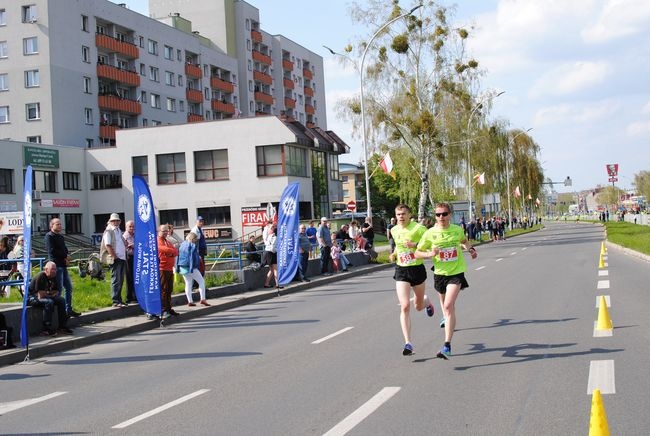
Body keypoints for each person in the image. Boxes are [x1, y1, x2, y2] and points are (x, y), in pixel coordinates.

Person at [415, 202, 478, 359]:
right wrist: (430, 254)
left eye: (444, 214)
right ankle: (446, 318)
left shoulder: (457, 230)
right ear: (435, 217)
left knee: (449, 306)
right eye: (438, 214)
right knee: (446, 307)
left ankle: (447, 345)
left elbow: (464, 241)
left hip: (456, 272)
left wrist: (470, 249)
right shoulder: (430, 233)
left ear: (450, 215)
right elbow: (417, 253)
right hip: (439, 274)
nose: (441, 217)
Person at [388, 204, 434, 356]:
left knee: (418, 306)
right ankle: (408, 343)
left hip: (417, 269)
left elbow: (430, 246)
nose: (401, 217)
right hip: (401, 269)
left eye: (403, 214)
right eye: (398, 214)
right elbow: (398, 247)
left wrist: (414, 245)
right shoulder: (394, 230)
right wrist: (394, 254)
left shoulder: (419, 229)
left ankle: (426, 301)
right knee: (405, 306)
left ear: (409, 214)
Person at [44, 218, 80, 317]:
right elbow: (51, 250)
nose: (60, 226)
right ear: (52, 226)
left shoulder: (60, 236)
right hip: (56, 265)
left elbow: (64, 248)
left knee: (68, 287)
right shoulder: (49, 236)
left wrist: (67, 256)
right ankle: (59, 311)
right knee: (58, 288)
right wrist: (64, 255)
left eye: (60, 224)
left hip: (63, 265)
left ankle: (68, 309)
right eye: (57, 224)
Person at [27, 261, 73, 336]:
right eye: (52, 269)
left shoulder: (53, 277)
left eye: (55, 269)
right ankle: (46, 328)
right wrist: (50, 294)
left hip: (45, 296)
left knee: (61, 300)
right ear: (46, 269)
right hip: (31, 298)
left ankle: (62, 326)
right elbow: (41, 296)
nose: (54, 271)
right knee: (49, 302)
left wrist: (49, 293)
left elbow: (57, 292)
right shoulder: (41, 276)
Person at [175, 232, 210, 307]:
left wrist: (177, 268)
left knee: (188, 283)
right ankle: (203, 299)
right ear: (193, 239)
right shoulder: (192, 246)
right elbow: (192, 258)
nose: (196, 241)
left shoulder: (181, 245)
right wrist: (197, 263)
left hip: (182, 267)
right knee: (201, 282)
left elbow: (178, 256)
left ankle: (190, 301)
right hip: (191, 267)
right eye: (195, 239)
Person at [101, 213, 127, 308]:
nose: (115, 222)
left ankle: (119, 299)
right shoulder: (108, 231)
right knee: (116, 280)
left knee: (120, 280)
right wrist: (114, 256)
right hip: (116, 258)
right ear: (110, 221)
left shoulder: (118, 230)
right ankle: (115, 300)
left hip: (121, 257)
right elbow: (108, 245)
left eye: (117, 220)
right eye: (113, 221)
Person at [157, 224, 179, 318]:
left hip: (169, 268)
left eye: (167, 231)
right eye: (163, 231)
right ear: (159, 231)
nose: (166, 232)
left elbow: (176, 251)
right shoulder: (158, 240)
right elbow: (161, 248)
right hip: (162, 268)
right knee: (164, 289)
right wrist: (170, 251)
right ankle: (163, 309)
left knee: (169, 289)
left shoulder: (167, 241)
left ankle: (169, 308)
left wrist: (169, 252)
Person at [122, 220, 137, 304]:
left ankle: (135, 296)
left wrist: (135, 246)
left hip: (136, 257)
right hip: (128, 257)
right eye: (130, 226)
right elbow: (123, 247)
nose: (132, 228)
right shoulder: (124, 236)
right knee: (129, 277)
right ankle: (129, 297)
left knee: (136, 277)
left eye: (133, 226)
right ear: (126, 227)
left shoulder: (136, 235)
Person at [262, 225, 281, 289]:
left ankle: (266, 284)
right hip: (271, 253)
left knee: (272, 270)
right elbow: (273, 248)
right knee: (275, 269)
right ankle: (277, 284)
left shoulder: (269, 236)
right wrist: (276, 250)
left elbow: (267, 244)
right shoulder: (275, 237)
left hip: (267, 253)